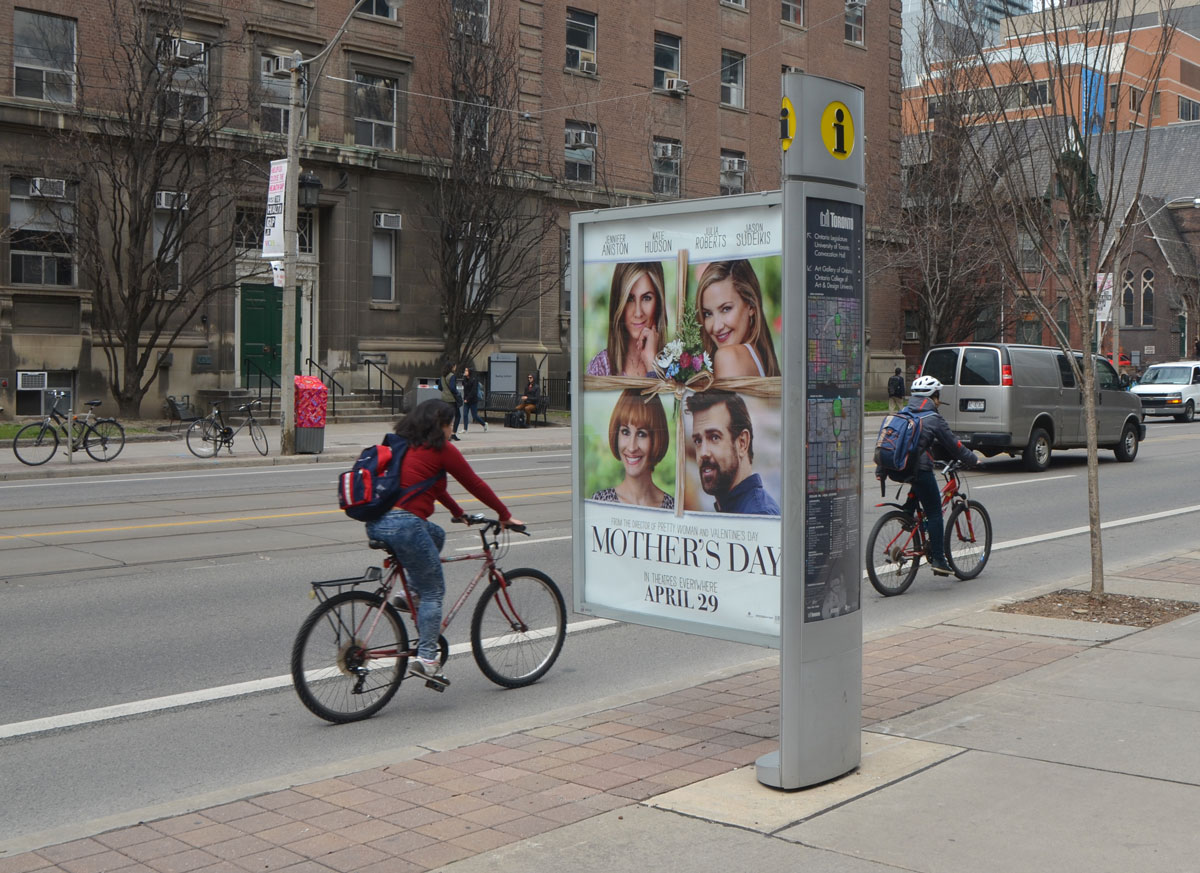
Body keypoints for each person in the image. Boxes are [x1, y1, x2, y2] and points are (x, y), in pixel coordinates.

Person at [365, 400, 522, 685]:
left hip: (378, 522)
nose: (452, 431)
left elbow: (433, 488)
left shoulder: (405, 446)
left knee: (437, 534)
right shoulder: (442, 449)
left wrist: (458, 513)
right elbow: (475, 484)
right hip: (406, 525)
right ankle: (427, 659)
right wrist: (504, 514)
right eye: (451, 425)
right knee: (434, 591)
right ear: (441, 425)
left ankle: (410, 593)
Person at [888, 375, 978, 577]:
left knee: (919, 487)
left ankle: (907, 514)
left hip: (897, 467)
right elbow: (954, 445)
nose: (939, 401)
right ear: (933, 397)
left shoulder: (903, 413)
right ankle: (939, 560)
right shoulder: (933, 418)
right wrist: (973, 460)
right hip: (919, 468)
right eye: (938, 396)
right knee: (935, 512)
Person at [686, 389, 779, 515]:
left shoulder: (758, 515)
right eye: (698, 441)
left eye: (714, 437)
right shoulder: (736, 510)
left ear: (742, 443)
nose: (703, 453)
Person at [695, 260, 780, 379]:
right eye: (708, 314)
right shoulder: (758, 357)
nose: (717, 327)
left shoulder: (729, 357)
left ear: (751, 305)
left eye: (726, 309)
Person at [590, 390, 674, 509]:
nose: (631, 447)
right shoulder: (601, 501)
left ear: (656, 439)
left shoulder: (672, 507)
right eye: (625, 432)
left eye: (641, 434)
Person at [586, 261, 667, 377]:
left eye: (646, 298)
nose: (638, 313)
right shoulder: (600, 367)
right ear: (618, 304)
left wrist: (652, 365)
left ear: (658, 303)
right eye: (630, 299)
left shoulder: (675, 367)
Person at [460, 366, 487, 433]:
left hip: (473, 400)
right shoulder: (465, 379)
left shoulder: (474, 379)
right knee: (465, 414)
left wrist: (468, 398)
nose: (465, 372)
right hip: (466, 400)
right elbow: (465, 389)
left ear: (470, 372)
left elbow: (474, 391)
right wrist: (465, 398)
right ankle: (465, 429)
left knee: (474, 416)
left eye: (466, 371)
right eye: (465, 371)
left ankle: (484, 424)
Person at [441, 364, 462, 441]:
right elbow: (453, 388)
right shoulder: (452, 376)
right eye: (455, 366)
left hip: (444, 398)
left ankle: (444, 434)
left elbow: (440, 387)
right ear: (452, 367)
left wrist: (445, 392)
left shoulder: (442, 376)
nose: (455, 368)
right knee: (458, 416)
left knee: (446, 417)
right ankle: (453, 433)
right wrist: (457, 393)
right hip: (451, 399)